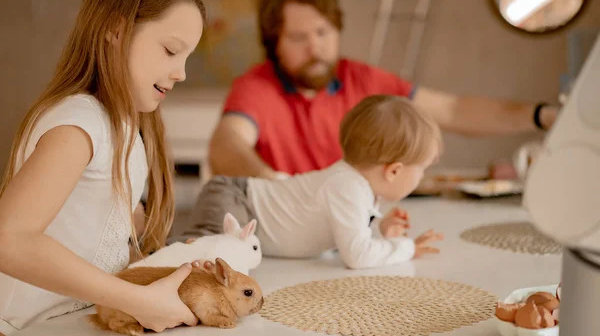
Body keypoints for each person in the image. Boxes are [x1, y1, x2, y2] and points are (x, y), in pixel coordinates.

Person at [0, 0, 206, 336]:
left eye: (187, 57)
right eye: (171, 50)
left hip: (70, 330)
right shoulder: (81, 122)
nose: (181, 72)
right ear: (116, 29)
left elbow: (99, 235)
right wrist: (139, 301)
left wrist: (173, 261)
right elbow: (10, 239)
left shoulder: (126, 127)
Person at [207, 0, 560, 180]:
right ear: (275, 45)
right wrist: (274, 184)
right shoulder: (257, 87)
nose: (315, 48)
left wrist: (540, 115)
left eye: (323, 32)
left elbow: (452, 110)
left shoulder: (360, 78)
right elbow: (225, 146)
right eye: (299, 38)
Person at [178, 95, 444, 270]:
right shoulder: (347, 187)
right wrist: (405, 248)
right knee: (203, 255)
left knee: (219, 258)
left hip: (247, 204)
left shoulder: (355, 186)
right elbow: (357, 256)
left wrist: (380, 227)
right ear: (394, 171)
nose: (422, 176)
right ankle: (155, 261)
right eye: (422, 168)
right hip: (236, 198)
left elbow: (348, 233)